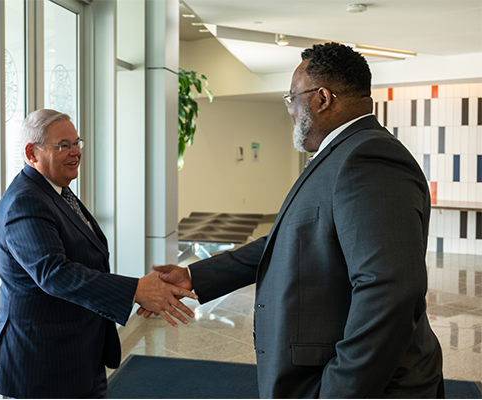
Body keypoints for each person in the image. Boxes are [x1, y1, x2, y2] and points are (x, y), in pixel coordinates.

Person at [143, 42, 444, 398]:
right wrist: (196, 275)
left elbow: (389, 290)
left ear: (322, 98)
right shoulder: (340, 153)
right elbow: (290, 239)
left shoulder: (369, 158)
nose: (290, 109)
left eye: (291, 98)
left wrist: (338, 390)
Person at [0, 109, 197, 399]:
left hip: (80, 352)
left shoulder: (56, 191)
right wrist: (135, 290)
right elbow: (53, 273)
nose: (76, 152)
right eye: (64, 145)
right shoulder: (26, 202)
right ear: (32, 153)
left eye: (77, 142)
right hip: (44, 363)